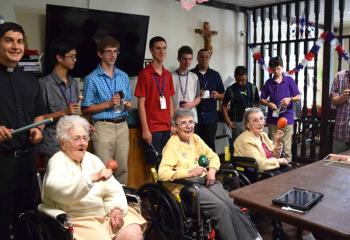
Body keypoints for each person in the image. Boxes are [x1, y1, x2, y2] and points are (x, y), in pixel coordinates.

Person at [158, 109, 261, 240]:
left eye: (191, 122)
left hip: (205, 181)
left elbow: (212, 156)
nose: (188, 126)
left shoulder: (195, 139)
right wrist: (189, 172)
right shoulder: (172, 145)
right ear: (175, 127)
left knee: (231, 204)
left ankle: (253, 237)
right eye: (183, 123)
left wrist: (212, 170)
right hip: (188, 188)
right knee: (221, 208)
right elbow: (162, 173)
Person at [38, 115, 146, 240]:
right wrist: (92, 178)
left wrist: (115, 209)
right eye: (76, 139)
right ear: (63, 144)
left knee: (133, 233)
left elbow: (113, 189)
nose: (82, 143)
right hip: (78, 219)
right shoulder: (57, 161)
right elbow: (57, 190)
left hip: (105, 212)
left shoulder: (92, 159)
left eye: (85, 138)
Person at [0, 22, 47, 240]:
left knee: (27, 215)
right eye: (9, 40)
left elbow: (40, 113)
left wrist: (38, 128)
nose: (16, 46)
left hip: (28, 161)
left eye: (20, 41)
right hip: (2, 161)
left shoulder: (31, 80)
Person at [82, 36, 132, 185]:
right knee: (104, 169)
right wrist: (109, 104)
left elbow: (127, 99)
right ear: (100, 54)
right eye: (108, 51)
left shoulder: (123, 76)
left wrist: (127, 104)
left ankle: (122, 204)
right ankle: (104, 205)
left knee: (122, 168)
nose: (112, 55)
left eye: (115, 51)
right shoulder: (91, 78)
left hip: (123, 125)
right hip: (103, 126)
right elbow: (85, 109)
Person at [37, 37, 80, 159]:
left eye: (75, 56)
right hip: (52, 143)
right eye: (71, 56)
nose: (74, 60)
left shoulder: (73, 83)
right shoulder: (44, 84)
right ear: (59, 58)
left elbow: (74, 112)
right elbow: (39, 118)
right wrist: (64, 112)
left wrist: (85, 125)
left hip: (72, 141)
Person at [134, 36, 175, 166]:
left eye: (164, 48)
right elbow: (140, 104)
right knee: (154, 165)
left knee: (168, 164)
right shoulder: (144, 74)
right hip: (152, 129)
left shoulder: (168, 75)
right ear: (151, 51)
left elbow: (169, 100)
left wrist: (173, 123)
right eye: (158, 48)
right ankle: (154, 187)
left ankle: (165, 186)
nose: (162, 51)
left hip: (167, 128)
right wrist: (145, 129)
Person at [260, 56, 301, 161]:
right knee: (274, 146)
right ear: (271, 70)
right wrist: (269, 104)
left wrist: (289, 99)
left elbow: (299, 96)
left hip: (287, 118)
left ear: (282, 67)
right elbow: (261, 99)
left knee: (287, 148)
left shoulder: (289, 80)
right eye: (273, 69)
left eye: (278, 68)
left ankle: (288, 170)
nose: (276, 71)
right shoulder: (269, 83)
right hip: (273, 120)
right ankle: (275, 168)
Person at [234, 108, 291, 174]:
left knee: (288, 170)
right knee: (279, 175)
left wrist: (278, 141)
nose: (260, 123)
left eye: (261, 119)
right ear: (248, 125)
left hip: (269, 167)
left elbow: (276, 156)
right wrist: (278, 161)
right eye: (255, 120)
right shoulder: (245, 140)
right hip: (257, 172)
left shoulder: (263, 135)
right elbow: (260, 164)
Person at [191, 48, 224, 151]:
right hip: (195, 117)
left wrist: (217, 95)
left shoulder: (215, 75)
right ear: (197, 58)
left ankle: (212, 166)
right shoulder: (191, 74)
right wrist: (196, 95)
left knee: (209, 145)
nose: (204, 60)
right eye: (201, 57)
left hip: (211, 117)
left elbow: (223, 95)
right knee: (195, 145)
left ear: (209, 59)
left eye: (207, 57)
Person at [222, 66, 259, 156]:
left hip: (250, 122)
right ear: (235, 77)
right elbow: (224, 106)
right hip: (236, 122)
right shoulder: (230, 89)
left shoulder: (253, 88)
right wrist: (228, 120)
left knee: (250, 144)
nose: (240, 82)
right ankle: (237, 164)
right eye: (237, 80)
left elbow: (257, 104)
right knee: (237, 145)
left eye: (242, 80)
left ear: (246, 76)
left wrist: (257, 119)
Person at [172, 45, 200, 123]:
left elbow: (198, 97)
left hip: (191, 118)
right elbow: (168, 99)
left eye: (190, 59)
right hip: (176, 118)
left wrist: (191, 104)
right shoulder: (171, 77)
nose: (187, 62)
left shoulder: (194, 77)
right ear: (178, 59)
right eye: (184, 59)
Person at [330, 69, 350, 153]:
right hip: (341, 132)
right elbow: (333, 102)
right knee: (336, 165)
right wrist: (343, 96)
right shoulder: (339, 76)